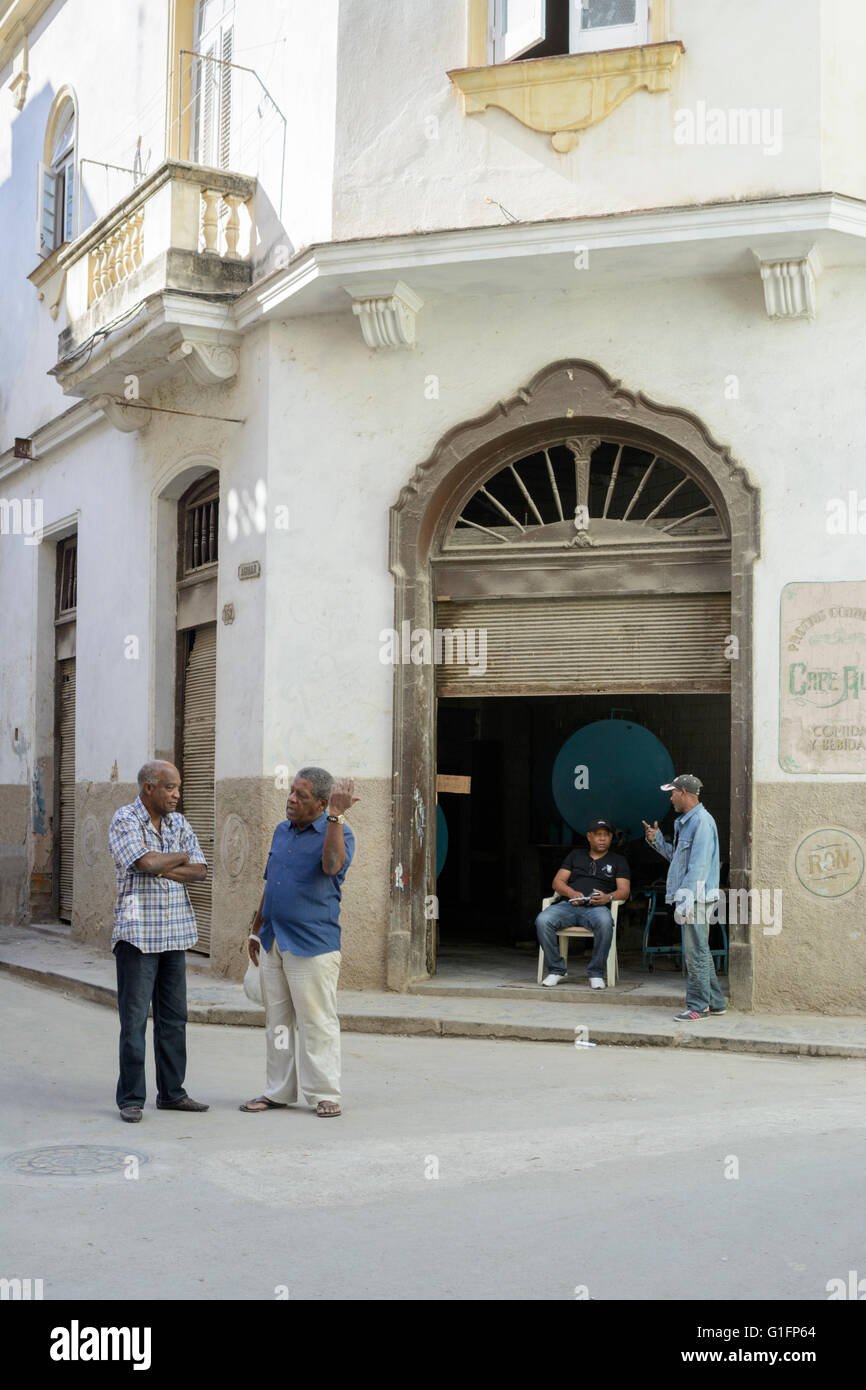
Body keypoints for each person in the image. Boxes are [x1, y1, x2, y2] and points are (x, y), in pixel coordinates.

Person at [241, 767, 358, 1119]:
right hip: (273, 938)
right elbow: (271, 882)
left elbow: (331, 865)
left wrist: (336, 817)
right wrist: (255, 928)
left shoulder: (340, 833)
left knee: (316, 1020)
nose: (291, 800)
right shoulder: (281, 832)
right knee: (277, 1021)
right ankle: (277, 1090)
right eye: (291, 792)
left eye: (301, 796)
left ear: (322, 804)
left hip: (313, 943)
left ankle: (324, 1092)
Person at [108, 761, 210, 1122]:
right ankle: (132, 1098)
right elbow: (144, 862)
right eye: (170, 787)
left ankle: (172, 1093)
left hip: (174, 933)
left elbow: (199, 870)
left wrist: (162, 864)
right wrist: (174, 858)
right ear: (148, 787)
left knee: (174, 1018)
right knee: (134, 1020)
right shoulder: (125, 819)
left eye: (178, 787)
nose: (176, 795)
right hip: (137, 936)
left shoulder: (178, 822)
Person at [642, 772, 727, 1021]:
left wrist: (685, 900)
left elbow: (699, 866)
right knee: (701, 950)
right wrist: (656, 841)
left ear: (683, 793)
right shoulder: (688, 822)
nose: (670, 798)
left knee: (696, 954)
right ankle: (716, 1002)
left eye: (672, 793)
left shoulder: (701, 822)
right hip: (696, 896)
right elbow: (679, 861)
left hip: (697, 898)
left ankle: (699, 1007)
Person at [535, 818, 630, 989]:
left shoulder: (618, 860)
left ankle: (596, 972)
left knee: (605, 922)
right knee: (543, 920)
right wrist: (572, 893)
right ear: (589, 836)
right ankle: (557, 969)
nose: (602, 839)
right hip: (569, 906)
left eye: (606, 835)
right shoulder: (576, 855)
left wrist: (607, 897)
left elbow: (624, 890)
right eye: (598, 835)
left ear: (610, 838)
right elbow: (557, 882)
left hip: (597, 908)